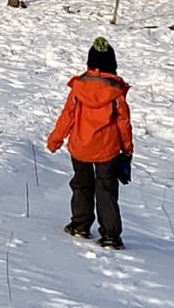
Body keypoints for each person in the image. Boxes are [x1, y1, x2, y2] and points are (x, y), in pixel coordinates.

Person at [47, 37, 133, 249]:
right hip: (107, 149)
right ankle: (111, 236)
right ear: (112, 64)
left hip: (80, 147)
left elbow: (66, 116)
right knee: (106, 190)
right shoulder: (116, 93)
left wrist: (55, 140)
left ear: (89, 63)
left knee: (82, 185)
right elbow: (124, 123)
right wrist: (127, 150)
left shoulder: (79, 88)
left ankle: (80, 225)